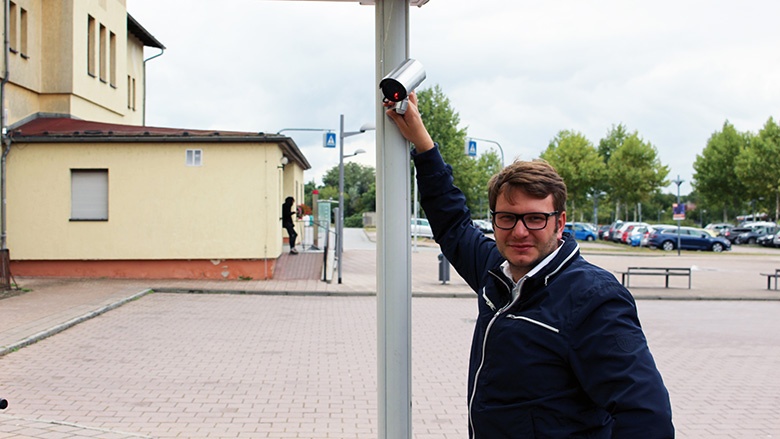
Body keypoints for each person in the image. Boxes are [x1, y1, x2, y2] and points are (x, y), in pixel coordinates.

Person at [385, 93, 674, 438]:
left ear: (559, 222)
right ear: (494, 220)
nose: (520, 232)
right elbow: (452, 223)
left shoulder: (593, 299)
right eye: (508, 218)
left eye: (535, 218)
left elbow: (645, 416)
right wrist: (423, 144)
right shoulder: (497, 273)